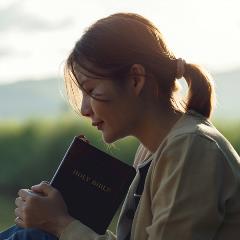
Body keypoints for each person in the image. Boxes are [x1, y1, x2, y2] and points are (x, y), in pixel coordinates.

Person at [1, 12, 240, 240]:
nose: (85, 109)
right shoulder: (154, 150)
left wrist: (62, 224)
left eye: (91, 91)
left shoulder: (191, 148)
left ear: (136, 80)